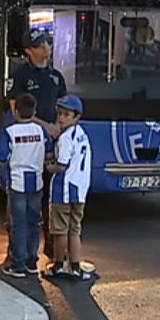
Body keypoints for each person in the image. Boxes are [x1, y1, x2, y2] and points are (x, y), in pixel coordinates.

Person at [9, 28, 67, 259]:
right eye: (39, 46)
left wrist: (58, 126)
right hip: (28, 145)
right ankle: (17, 250)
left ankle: (51, 245)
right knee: (21, 199)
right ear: (28, 51)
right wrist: (45, 126)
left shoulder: (56, 77)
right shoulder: (21, 75)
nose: (46, 48)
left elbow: (63, 106)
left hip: (51, 143)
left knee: (49, 196)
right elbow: (16, 110)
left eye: (47, 44)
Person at [0, 93, 53, 278]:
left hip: (17, 182)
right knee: (34, 223)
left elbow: (2, 157)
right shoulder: (40, 131)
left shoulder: (10, 132)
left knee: (18, 225)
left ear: (15, 111)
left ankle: (18, 264)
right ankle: (32, 261)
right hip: (37, 181)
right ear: (34, 111)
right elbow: (49, 153)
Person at [44, 95, 93, 281]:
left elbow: (61, 165)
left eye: (66, 114)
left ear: (76, 116)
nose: (61, 118)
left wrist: (49, 167)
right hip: (80, 188)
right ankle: (75, 265)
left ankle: (58, 265)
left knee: (60, 230)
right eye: (60, 114)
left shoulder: (65, 138)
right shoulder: (81, 134)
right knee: (75, 229)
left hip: (63, 189)